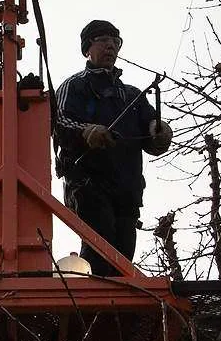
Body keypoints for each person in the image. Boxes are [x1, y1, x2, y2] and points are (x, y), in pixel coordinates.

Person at [52, 20, 172, 276]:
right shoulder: (75, 86)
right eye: (103, 40)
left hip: (127, 188)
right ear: (87, 48)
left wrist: (159, 131)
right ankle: (94, 309)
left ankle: (114, 311)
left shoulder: (133, 95)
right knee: (100, 247)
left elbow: (151, 132)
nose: (110, 46)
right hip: (87, 184)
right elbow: (58, 122)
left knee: (123, 255)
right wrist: (86, 132)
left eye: (115, 42)